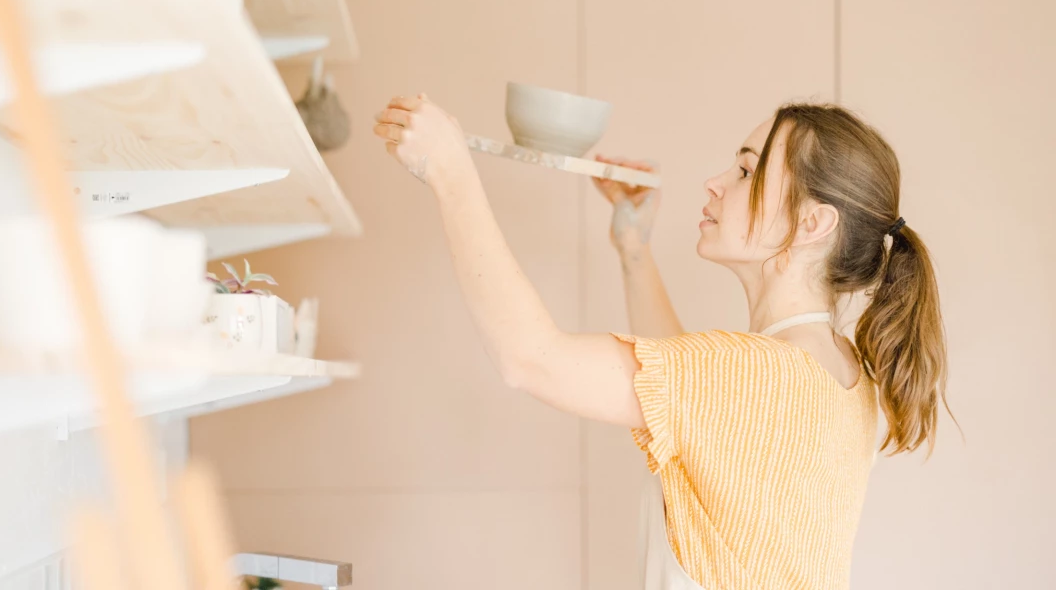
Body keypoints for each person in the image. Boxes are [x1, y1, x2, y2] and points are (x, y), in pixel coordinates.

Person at [372, 94, 951, 590]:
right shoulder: (846, 374)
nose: (716, 183)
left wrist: (450, 172)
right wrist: (633, 246)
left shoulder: (747, 374)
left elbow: (531, 359)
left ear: (812, 225)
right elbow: (695, 406)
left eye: (747, 172)